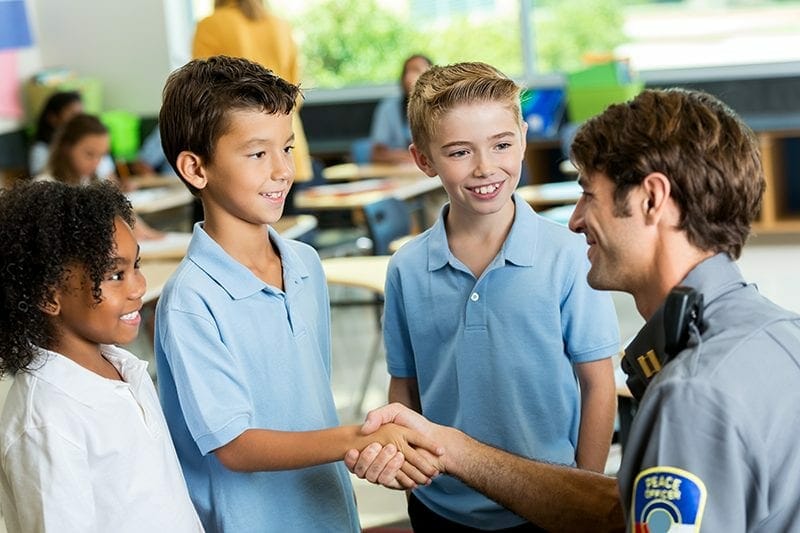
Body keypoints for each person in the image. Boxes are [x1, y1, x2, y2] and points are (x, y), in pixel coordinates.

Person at [348, 88, 800, 532]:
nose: (576, 219)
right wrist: (450, 451)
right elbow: (621, 509)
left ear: (651, 199)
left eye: (589, 195)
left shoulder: (690, 394)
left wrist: (455, 451)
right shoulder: (783, 333)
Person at [153, 55, 441, 532]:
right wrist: (359, 437)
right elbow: (236, 446)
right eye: (257, 154)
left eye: (286, 148)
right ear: (195, 168)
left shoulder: (304, 265)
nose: (283, 170)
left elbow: (308, 403)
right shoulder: (190, 301)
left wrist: (367, 446)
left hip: (328, 511)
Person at [377, 61, 620, 531]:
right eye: (459, 152)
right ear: (423, 158)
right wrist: (410, 472)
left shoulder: (568, 256)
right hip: (439, 505)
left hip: (548, 504)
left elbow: (598, 385)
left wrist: (581, 492)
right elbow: (404, 388)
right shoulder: (406, 269)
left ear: (523, 139)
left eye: (502, 145)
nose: (486, 167)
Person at [0, 180, 202, 532]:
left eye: (135, 266)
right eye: (114, 275)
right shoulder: (46, 422)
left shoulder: (123, 368)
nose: (138, 287)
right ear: (49, 297)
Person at [192, 0, 312, 183]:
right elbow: (296, 92)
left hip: (240, 153)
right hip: (288, 151)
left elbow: (203, 92)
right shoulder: (280, 25)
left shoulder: (211, 25)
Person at [35, 113, 165, 241]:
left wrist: (139, 228)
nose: (96, 163)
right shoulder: (45, 187)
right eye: (89, 154)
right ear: (66, 148)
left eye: (101, 156)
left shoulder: (88, 181)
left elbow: (117, 210)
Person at [28, 90, 115, 178]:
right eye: (73, 114)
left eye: (81, 114)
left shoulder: (87, 174)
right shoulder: (42, 151)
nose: (96, 164)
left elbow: (112, 179)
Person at [369, 54, 432, 164]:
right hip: (400, 173)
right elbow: (376, 154)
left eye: (416, 70)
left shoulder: (442, 107)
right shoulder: (388, 108)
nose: (409, 77)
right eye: (406, 72)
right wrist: (408, 157)